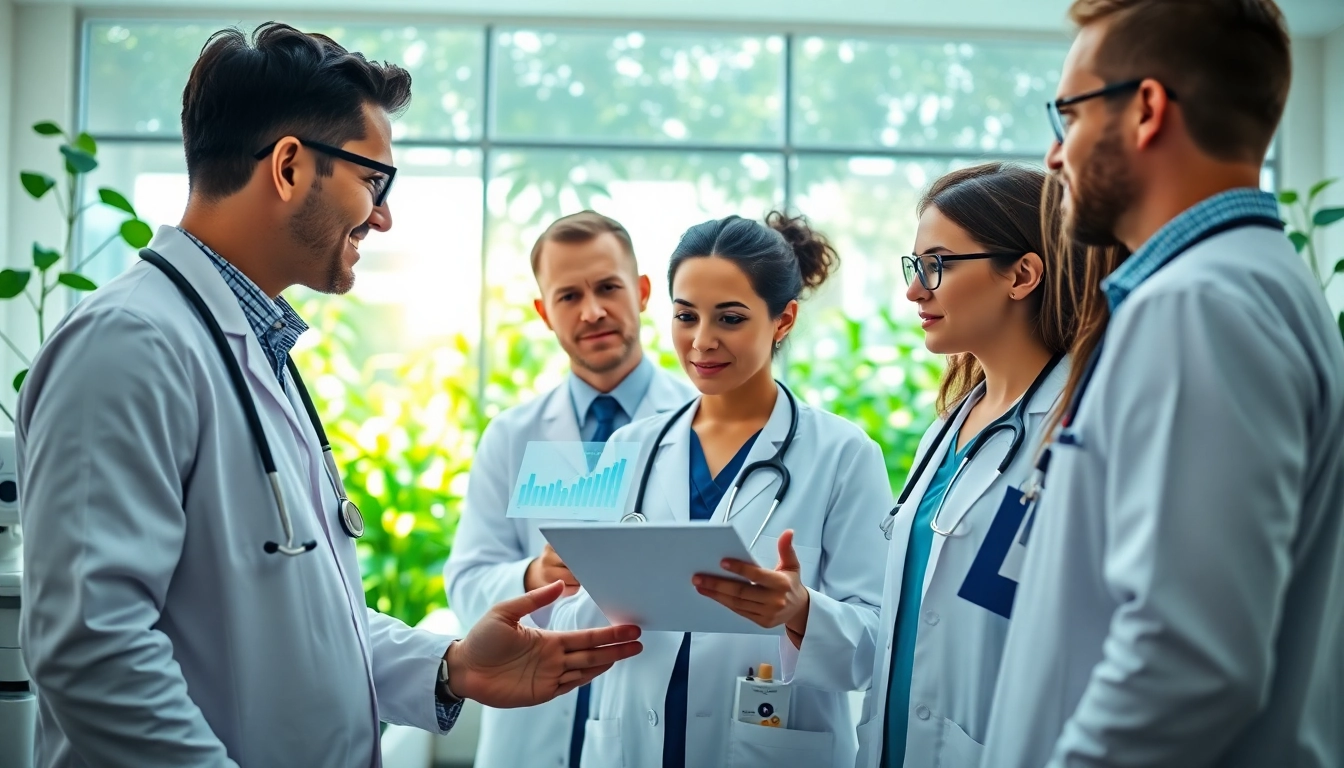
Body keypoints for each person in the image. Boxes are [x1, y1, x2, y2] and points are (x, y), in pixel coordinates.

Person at [14, 24, 641, 768]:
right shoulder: (127, 344)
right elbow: (95, 653)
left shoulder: (249, 346)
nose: (381, 215)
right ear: (288, 166)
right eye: (373, 180)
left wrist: (451, 667)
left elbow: (300, 625)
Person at [984, 1, 1344, 766]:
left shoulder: (1200, 305)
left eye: (1068, 114)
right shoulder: (1259, 285)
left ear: (1146, 109)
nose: (1054, 156)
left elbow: (1189, 661)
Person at [548, 212, 891, 768]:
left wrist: (800, 611)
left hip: (772, 743)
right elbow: (567, 624)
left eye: (730, 318)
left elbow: (879, 645)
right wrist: (589, 585)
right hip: (634, 740)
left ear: (783, 320)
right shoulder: (626, 451)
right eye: (685, 316)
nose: (702, 342)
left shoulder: (844, 456)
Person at [854, 162, 1105, 768]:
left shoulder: (1081, 430)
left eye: (937, 265)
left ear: (1022, 274)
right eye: (915, 268)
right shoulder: (945, 431)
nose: (915, 290)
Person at [443, 210, 695, 768]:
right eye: (568, 296)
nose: (593, 311)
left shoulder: (698, 424)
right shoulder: (513, 436)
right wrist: (537, 578)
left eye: (608, 287)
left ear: (644, 292)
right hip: (529, 736)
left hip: (650, 716)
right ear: (544, 313)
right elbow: (466, 580)